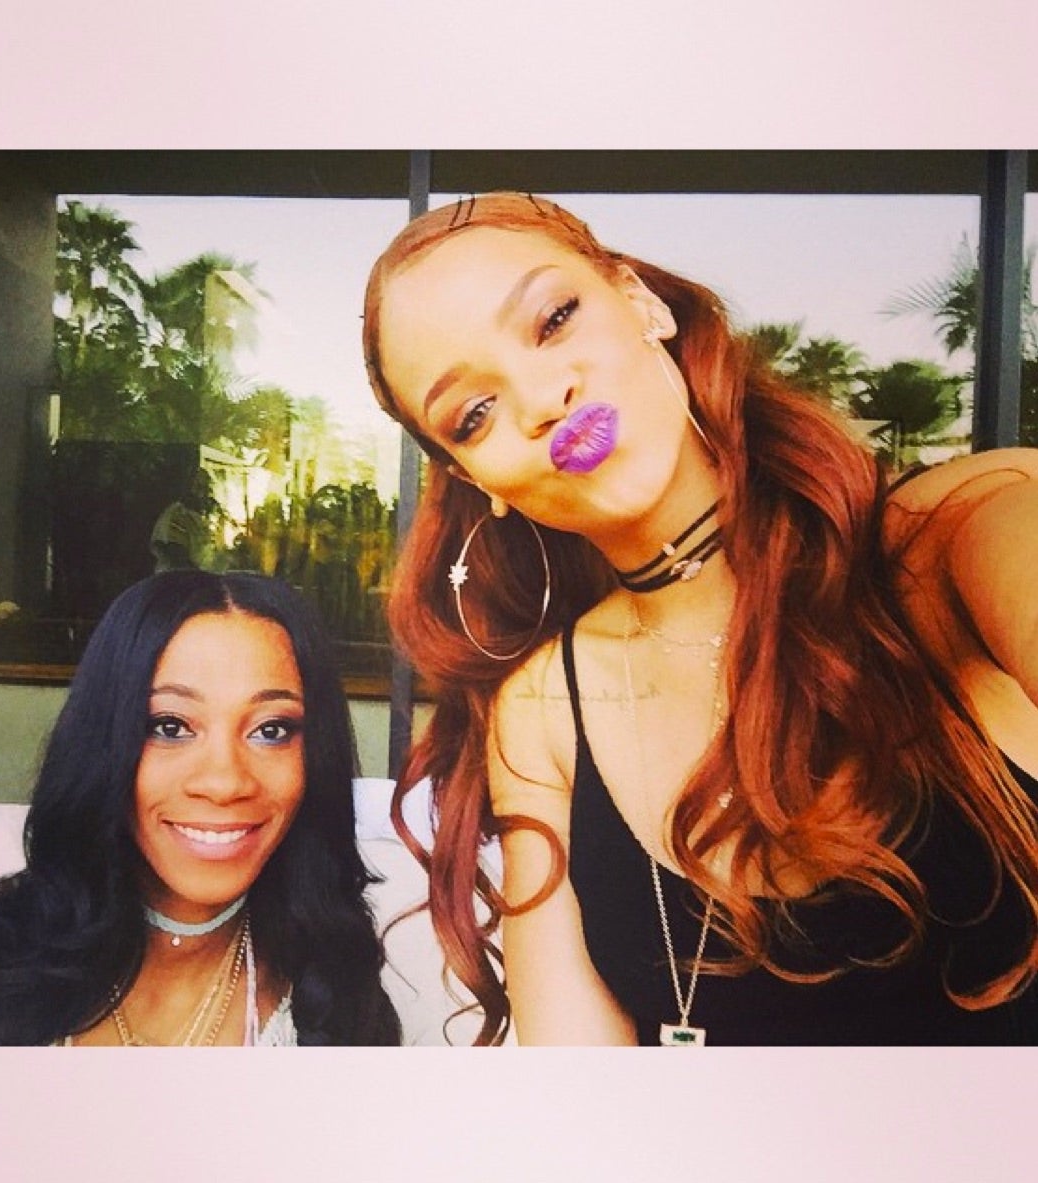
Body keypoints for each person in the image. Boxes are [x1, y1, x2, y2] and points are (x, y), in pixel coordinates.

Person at [361, 191, 1038, 1046]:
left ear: (642, 304)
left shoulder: (959, 534)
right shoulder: (543, 710)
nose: (540, 399)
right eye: (474, 414)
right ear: (474, 479)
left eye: (554, 320)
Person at [0, 570, 401, 1046]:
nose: (225, 782)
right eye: (170, 726)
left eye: (271, 730)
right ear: (103, 740)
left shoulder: (332, 983)